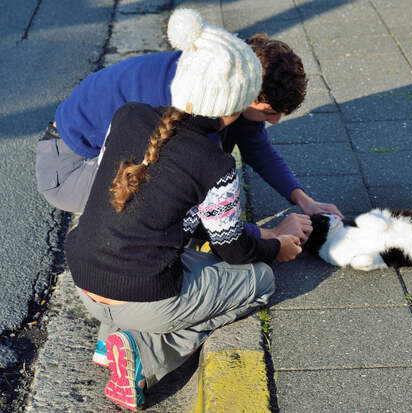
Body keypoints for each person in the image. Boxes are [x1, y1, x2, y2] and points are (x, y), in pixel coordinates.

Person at [65, 14, 300, 411]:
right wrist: (275, 247)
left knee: (169, 257)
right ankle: (142, 352)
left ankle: (110, 337)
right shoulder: (216, 164)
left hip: (84, 281)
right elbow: (233, 249)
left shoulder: (129, 115)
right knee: (259, 281)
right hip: (143, 299)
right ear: (241, 98)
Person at [35, 8, 342, 246]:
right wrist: (268, 234)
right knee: (171, 202)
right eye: (271, 112)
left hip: (98, 152)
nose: (275, 122)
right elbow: (192, 209)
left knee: (210, 155)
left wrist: (304, 200)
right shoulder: (178, 100)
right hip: (69, 168)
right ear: (249, 93)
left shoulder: (223, 79)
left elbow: (258, 149)